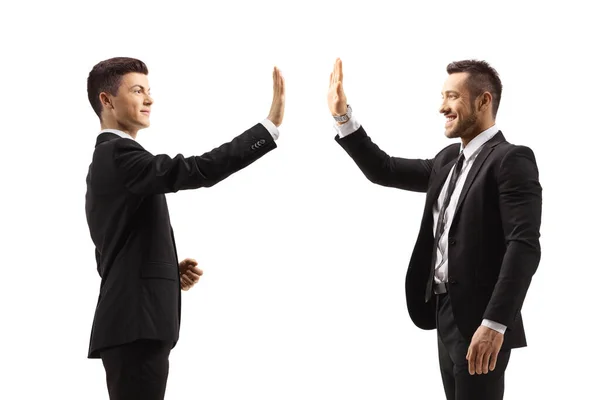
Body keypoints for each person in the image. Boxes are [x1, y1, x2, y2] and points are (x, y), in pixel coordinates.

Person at [328, 58, 542, 399]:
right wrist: (343, 117)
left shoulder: (510, 159)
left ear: (484, 101)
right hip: (445, 313)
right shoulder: (446, 161)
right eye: (443, 96)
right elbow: (384, 169)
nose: (442, 106)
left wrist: (495, 324)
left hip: (482, 321)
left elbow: (524, 246)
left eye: (452, 96)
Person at [85, 56, 285, 400]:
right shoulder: (119, 155)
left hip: (133, 323)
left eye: (149, 91)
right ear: (107, 100)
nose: (149, 99)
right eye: (137, 90)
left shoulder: (112, 160)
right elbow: (194, 170)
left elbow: (112, 250)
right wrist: (268, 128)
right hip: (136, 327)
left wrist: (164, 274)